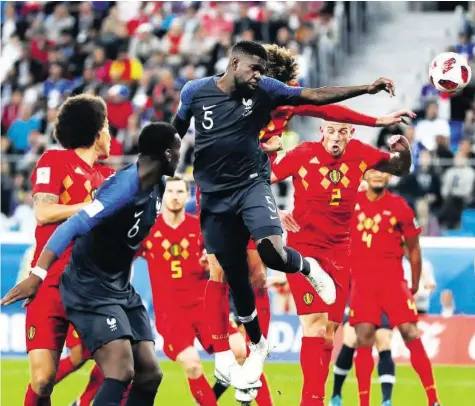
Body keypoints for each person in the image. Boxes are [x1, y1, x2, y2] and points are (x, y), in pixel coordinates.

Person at [172, 38, 403, 387]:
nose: (278, 91)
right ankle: (221, 354)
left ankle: (255, 354)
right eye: (259, 76)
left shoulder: (282, 99)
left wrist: (375, 120)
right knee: (221, 270)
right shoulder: (218, 96)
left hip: (252, 184)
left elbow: (326, 108)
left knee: (261, 273)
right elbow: (187, 130)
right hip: (218, 188)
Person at [2, 122, 182, 406]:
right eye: (178, 149)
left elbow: (132, 237)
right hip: (89, 285)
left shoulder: (157, 186)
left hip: (119, 286)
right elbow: (70, 225)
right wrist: (37, 274)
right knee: (114, 370)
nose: (181, 155)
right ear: (168, 154)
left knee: (149, 373)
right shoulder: (122, 186)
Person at [271, 120, 412, 406]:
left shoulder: (360, 153)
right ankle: (312, 401)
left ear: (352, 133)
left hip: (341, 253)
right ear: (322, 131)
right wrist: (275, 209)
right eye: (331, 131)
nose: (336, 137)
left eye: (343, 132)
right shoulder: (302, 153)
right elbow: (257, 181)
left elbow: (400, 168)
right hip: (304, 250)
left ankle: (315, 397)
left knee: (329, 333)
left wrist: (404, 151)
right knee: (314, 325)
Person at [2, 94, 113, 406]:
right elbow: (44, 213)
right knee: (42, 379)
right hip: (49, 281)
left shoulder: (109, 178)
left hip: (91, 286)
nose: (110, 135)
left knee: (119, 359)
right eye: (106, 127)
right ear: (95, 131)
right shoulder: (54, 161)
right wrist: (92, 206)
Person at [139, 175, 251, 406]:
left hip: (204, 306)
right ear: (163, 196)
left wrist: (212, 262)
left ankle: (209, 399)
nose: (175, 196)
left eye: (181, 192)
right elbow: (120, 258)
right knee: (192, 363)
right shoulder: (148, 230)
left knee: (240, 351)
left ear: (188, 195)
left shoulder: (199, 228)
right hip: (171, 313)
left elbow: (223, 261)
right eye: (171, 192)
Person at [348, 169, 440, 406]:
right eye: (373, 171)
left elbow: (414, 247)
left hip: (392, 281)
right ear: (364, 175)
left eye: (384, 171)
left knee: (410, 332)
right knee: (364, 337)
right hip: (362, 282)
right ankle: (364, 402)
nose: (378, 175)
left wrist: (415, 281)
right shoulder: (351, 203)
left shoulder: (400, 206)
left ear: (390, 177)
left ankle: (433, 399)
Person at [329, 312, 395, 406]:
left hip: (382, 303)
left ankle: (386, 400)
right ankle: (336, 395)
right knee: (350, 340)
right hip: (356, 300)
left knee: (384, 342)